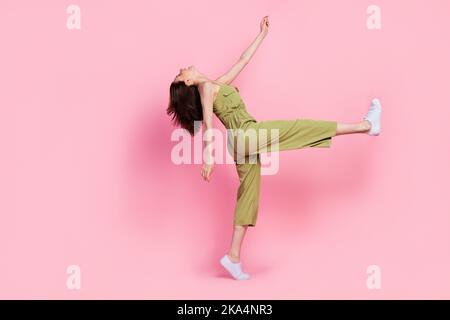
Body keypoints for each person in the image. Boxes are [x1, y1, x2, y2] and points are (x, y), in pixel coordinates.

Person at [167, 16, 381, 280]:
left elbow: (243, 61)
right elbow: (210, 127)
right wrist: (209, 159)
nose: (182, 68)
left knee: (249, 194)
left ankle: (233, 257)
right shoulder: (206, 89)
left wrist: (262, 35)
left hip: (242, 142)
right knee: (299, 127)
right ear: (188, 82)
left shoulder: (216, 83)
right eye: (181, 74)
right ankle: (365, 125)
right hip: (245, 135)